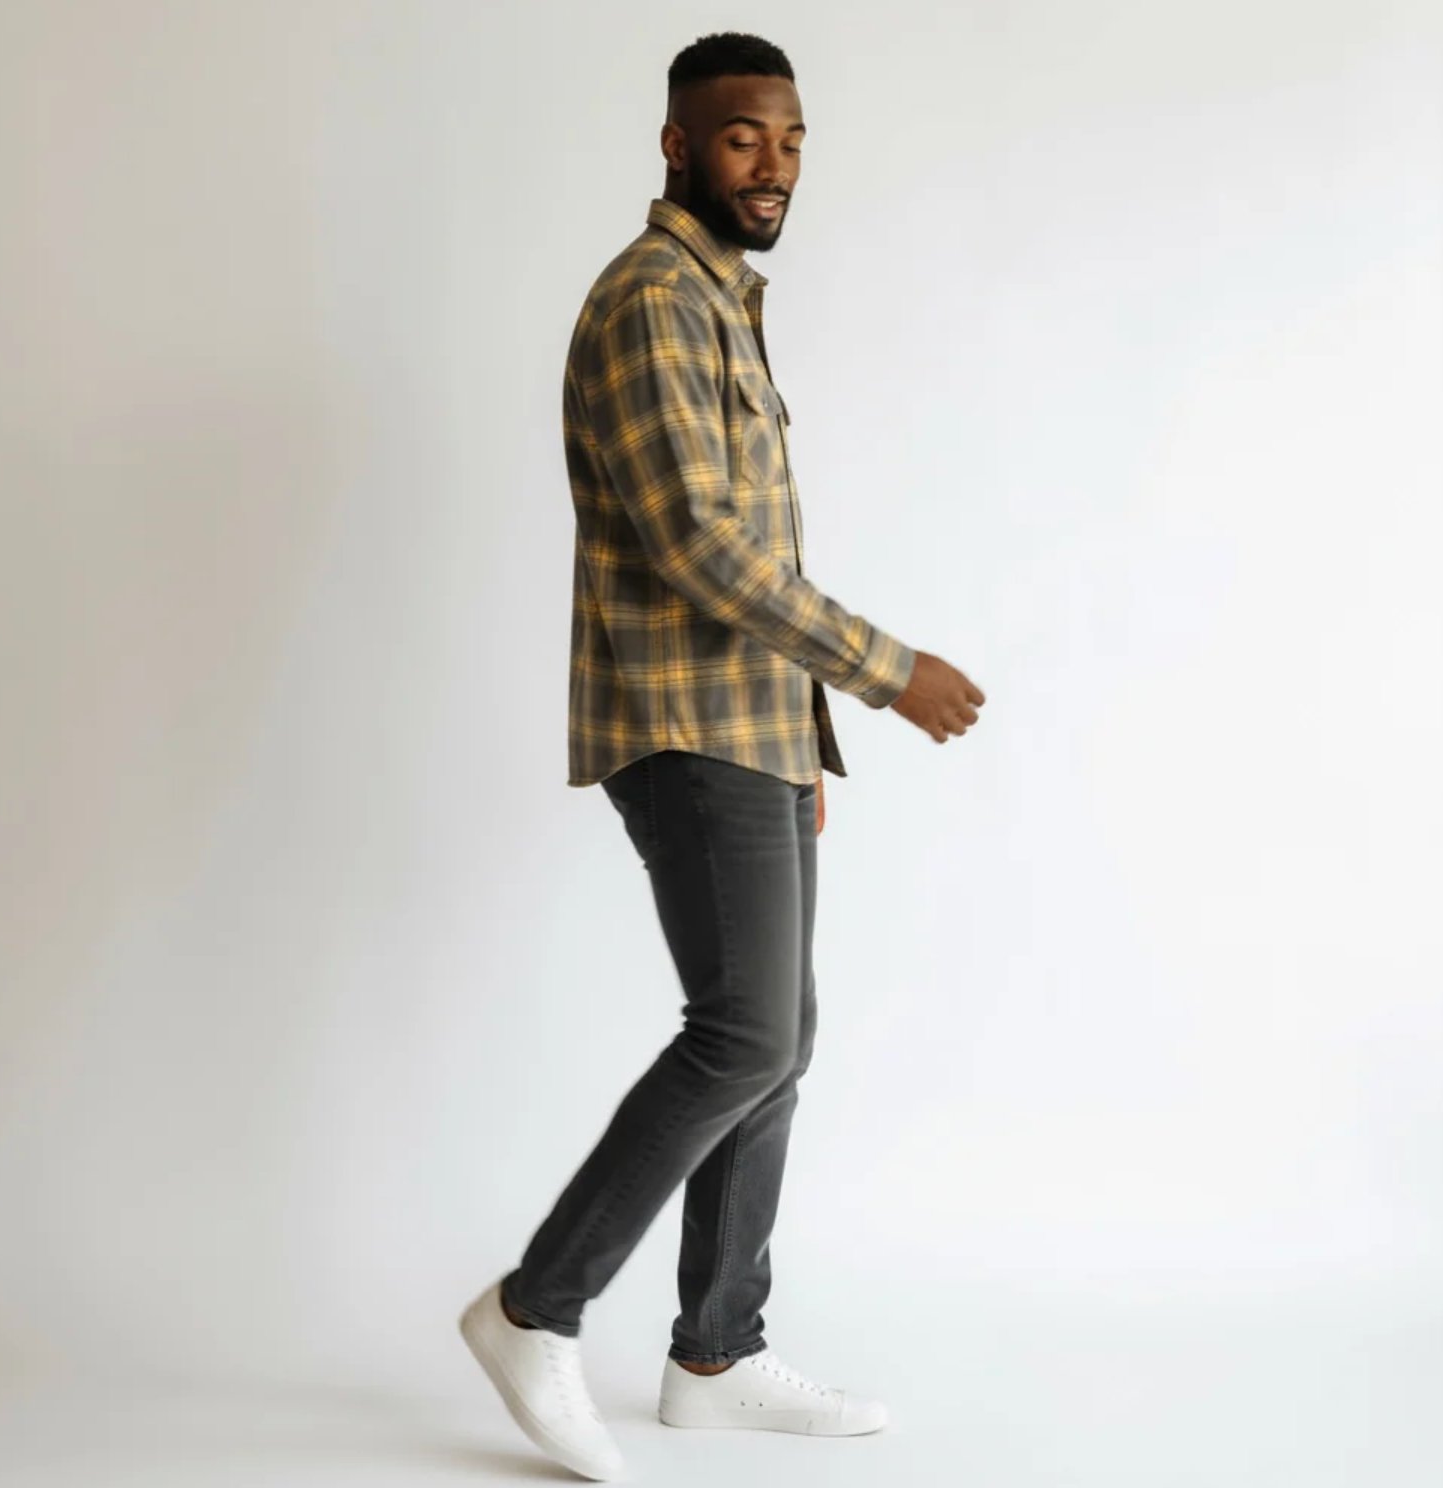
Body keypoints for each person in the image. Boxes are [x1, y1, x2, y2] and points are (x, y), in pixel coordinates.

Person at [459, 30, 985, 1482]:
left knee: (777, 1041)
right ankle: (534, 1310)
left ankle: (715, 1353)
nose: (777, 163)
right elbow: (698, 543)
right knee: (744, 1035)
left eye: (794, 137)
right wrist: (883, 677)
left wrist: (799, 736)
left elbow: (741, 545)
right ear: (680, 144)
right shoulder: (650, 303)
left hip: (745, 728)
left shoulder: (721, 303)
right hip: (683, 727)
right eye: (745, 136)